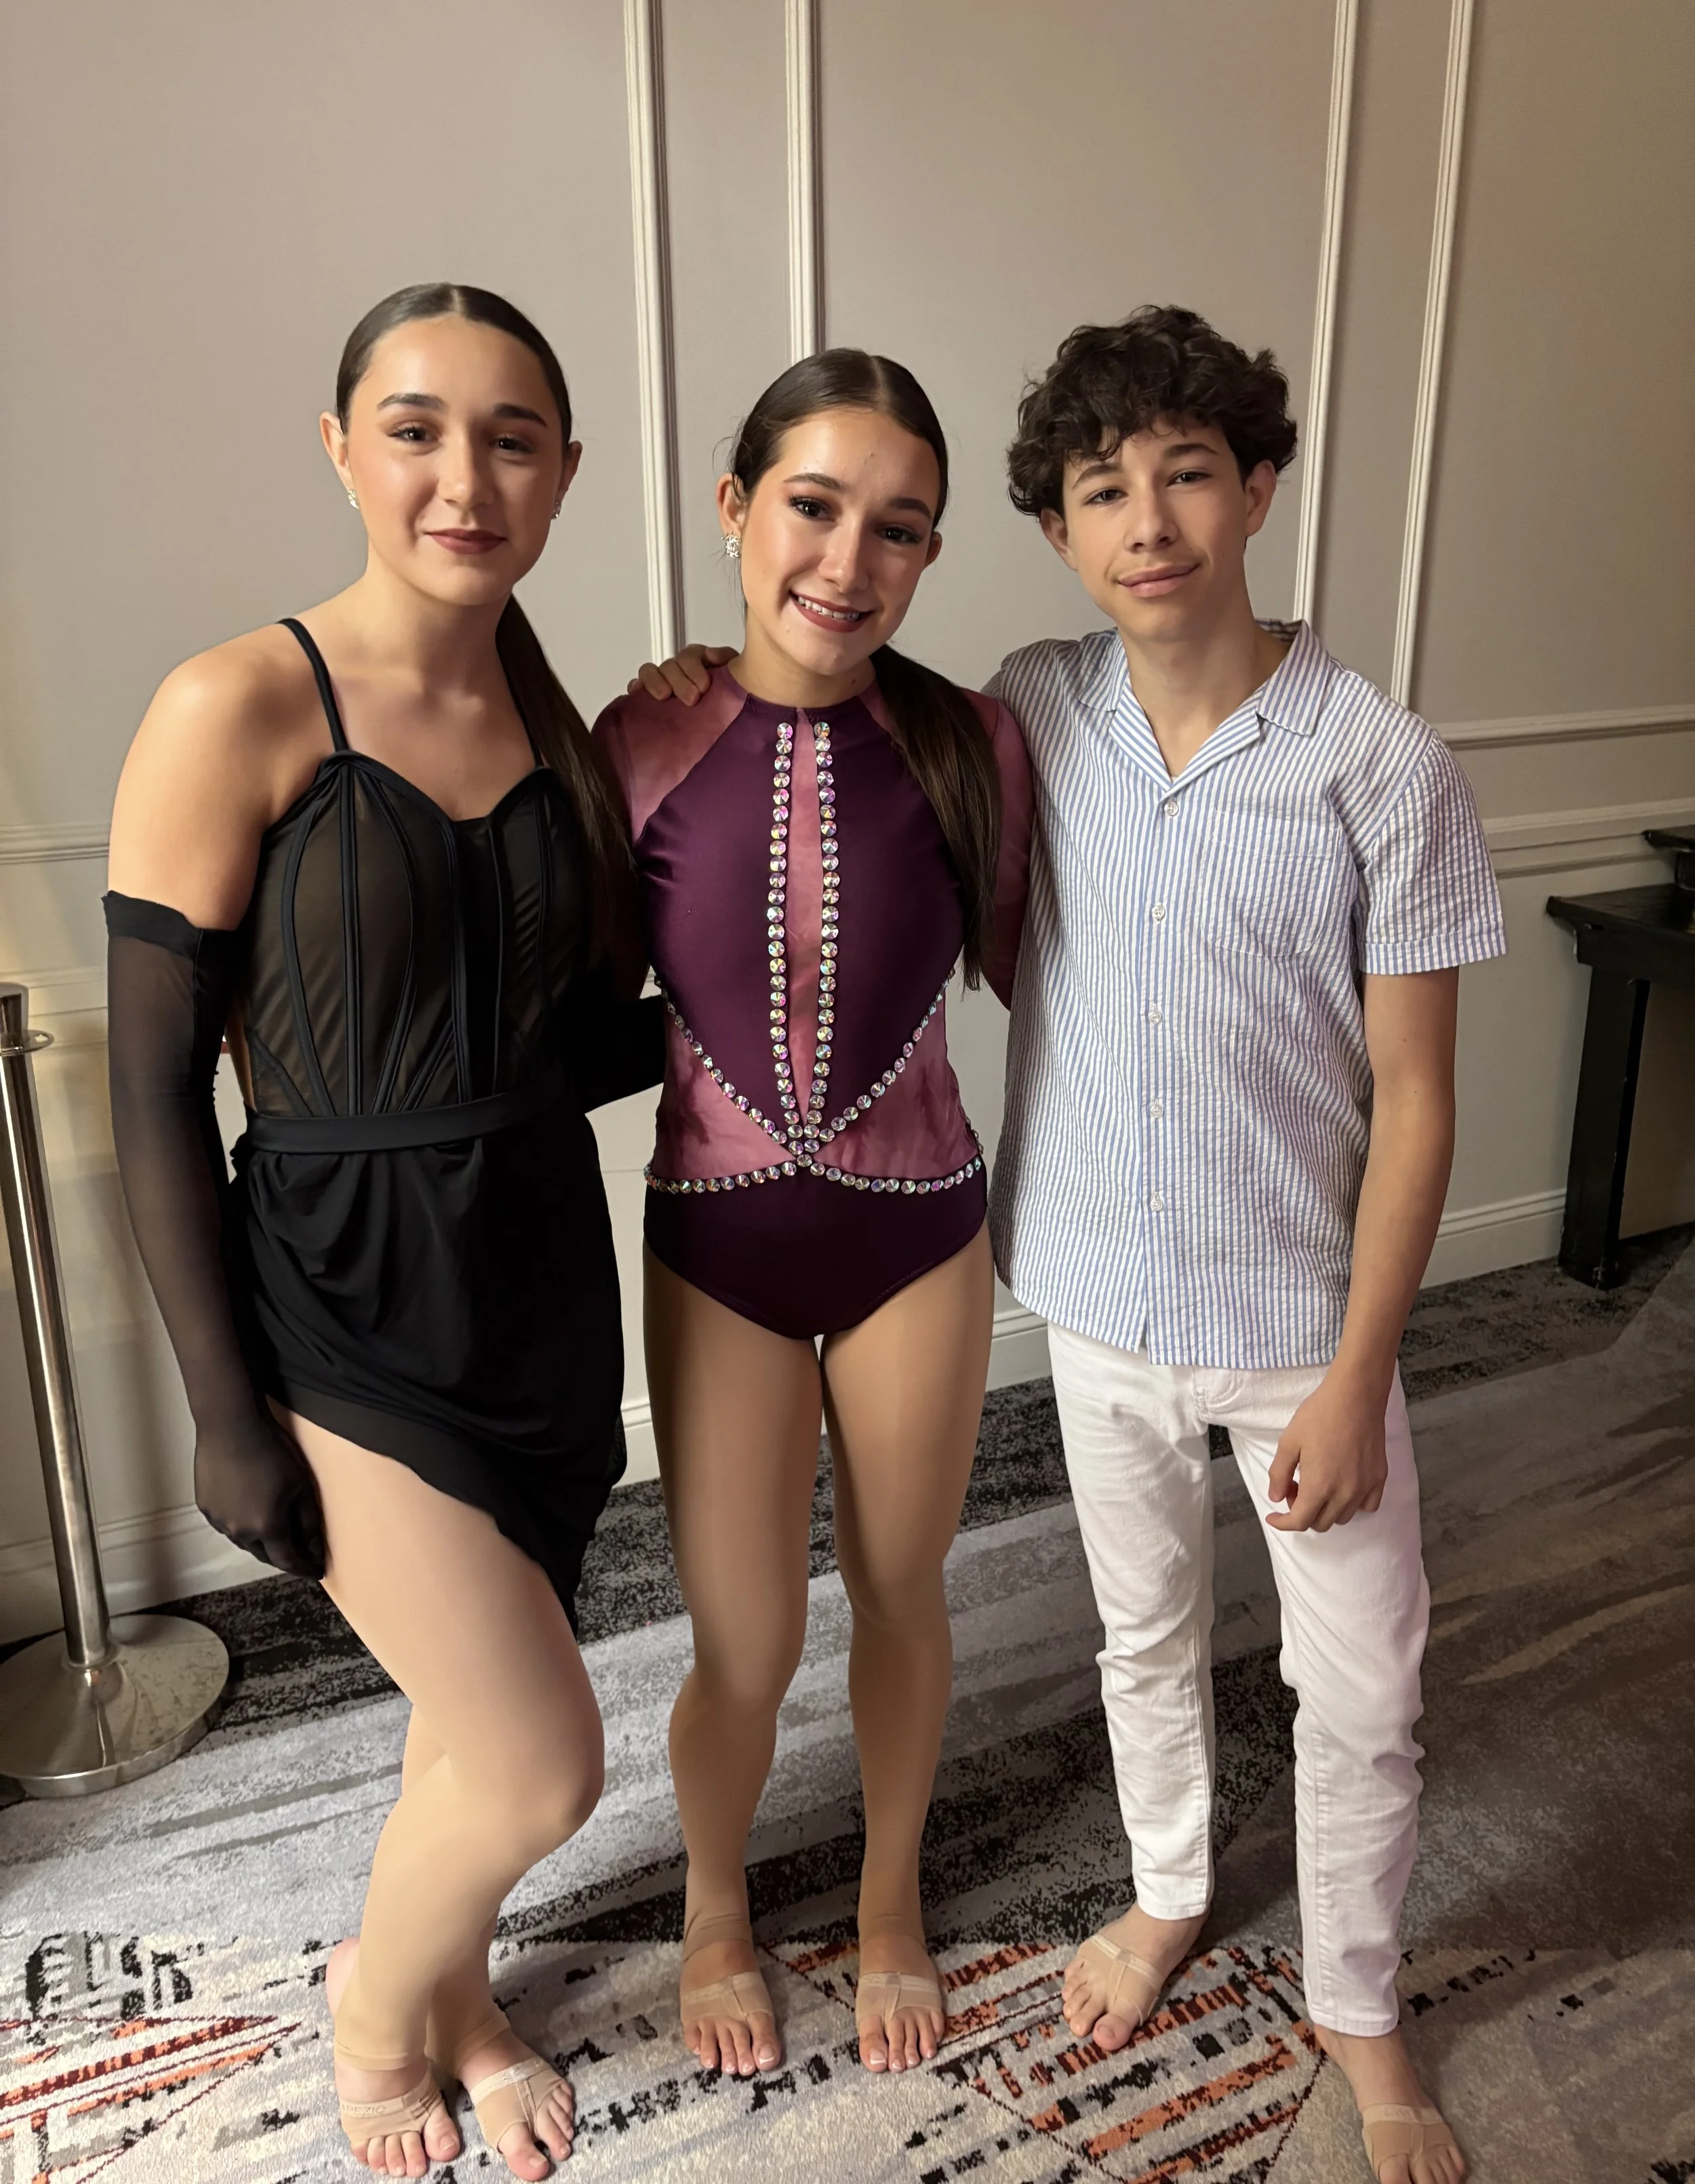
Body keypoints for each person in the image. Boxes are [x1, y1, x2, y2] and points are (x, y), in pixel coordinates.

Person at [637, 307, 1500, 2184]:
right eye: (1101, 490)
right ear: (1053, 531)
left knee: (1359, 1689)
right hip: (1089, 1289)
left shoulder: (1377, 762)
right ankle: (1168, 1889)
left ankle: (1357, 1999)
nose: (1149, 522)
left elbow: (1419, 1102)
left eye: (1188, 472)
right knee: (1140, 1630)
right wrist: (702, 668)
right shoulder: (1033, 707)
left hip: (1294, 1313)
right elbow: (808, 699)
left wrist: (1363, 1369)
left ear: (1257, 481)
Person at [104, 283, 662, 2181]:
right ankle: (374, 2014)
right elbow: (156, 1090)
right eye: (415, 426)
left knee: (467, 1703)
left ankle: (467, 1990)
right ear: (340, 446)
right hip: (337, 1293)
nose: (464, 474)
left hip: (534, 1284)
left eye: (513, 436)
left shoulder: (552, 714)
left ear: (563, 471)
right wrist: (221, 1405)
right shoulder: (236, 702)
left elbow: (580, 1038)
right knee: (541, 1757)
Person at [596, 349, 1031, 2084]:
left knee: (902, 1583)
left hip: (918, 1228)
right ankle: (715, 1905)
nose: (849, 562)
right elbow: (563, 998)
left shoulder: (972, 736)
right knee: (746, 1635)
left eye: (898, 528)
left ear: (929, 554)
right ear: (734, 507)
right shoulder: (638, 735)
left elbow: (1065, 966)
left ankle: (888, 1898)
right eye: (813, 506)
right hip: (719, 1243)